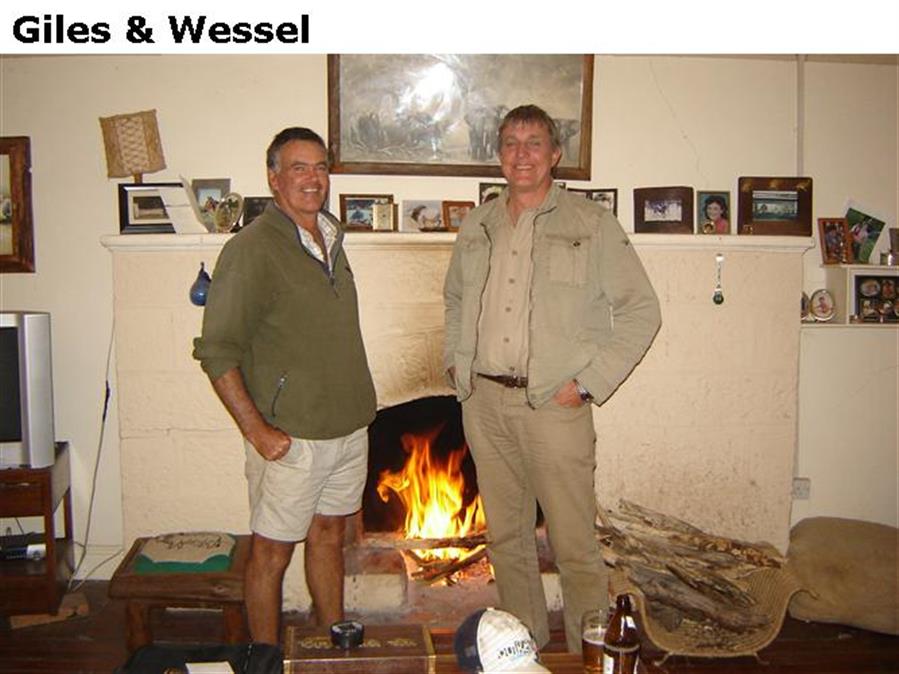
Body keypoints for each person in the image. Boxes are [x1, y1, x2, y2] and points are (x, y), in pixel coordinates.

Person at [443, 105, 661, 654]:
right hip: (484, 403)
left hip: (554, 407)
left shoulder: (591, 224)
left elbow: (642, 311)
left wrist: (587, 384)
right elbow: (454, 300)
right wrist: (455, 362)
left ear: (555, 154)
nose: (522, 154)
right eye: (511, 143)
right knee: (505, 539)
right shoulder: (477, 224)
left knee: (574, 544)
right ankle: (523, 648)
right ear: (499, 154)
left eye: (534, 142)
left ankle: (592, 654)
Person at [193, 127, 376, 645]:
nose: (312, 178)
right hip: (291, 437)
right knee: (271, 553)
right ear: (273, 179)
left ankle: (331, 645)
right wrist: (257, 431)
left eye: (320, 167)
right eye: (298, 168)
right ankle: (265, 659)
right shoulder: (250, 249)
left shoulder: (331, 237)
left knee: (329, 536)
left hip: (348, 427)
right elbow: (217, 350)